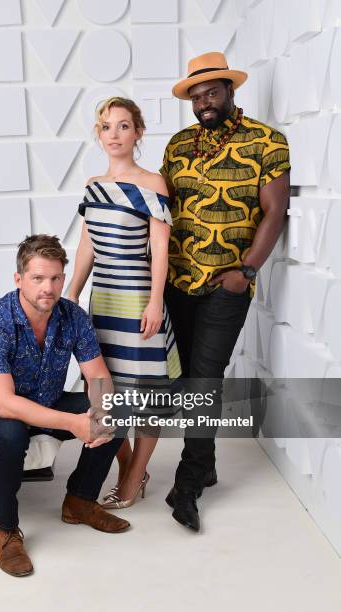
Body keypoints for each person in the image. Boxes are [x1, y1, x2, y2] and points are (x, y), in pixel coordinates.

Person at [161, 52, 291, 531]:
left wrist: (248, 271)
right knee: (186, 379)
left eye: (211, 93)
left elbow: (275, 213)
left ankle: (188, 482)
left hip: (227, 284)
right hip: (177, 281)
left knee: (206, 378)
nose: (203, 103)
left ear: (229, 91)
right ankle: (208, 462)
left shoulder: (267, 141)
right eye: (196, 97)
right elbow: (164, 212)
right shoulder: (177, 147)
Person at [0, 235, 130, 578]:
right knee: (10, 435)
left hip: (47, 401)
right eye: (38, 278)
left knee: (118, 409)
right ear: (19, 279)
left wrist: (97, 413)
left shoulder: (72, 316)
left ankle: (80, 502)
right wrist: (73, 423)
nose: (48, 288)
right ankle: (6, 531)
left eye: (55, 278)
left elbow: (97, 375)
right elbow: (4, 403)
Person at [68, 97, 181, 509]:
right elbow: (86, 246)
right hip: (103, 301)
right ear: (99, 135)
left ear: (138, 132)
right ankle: (130, 464)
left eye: (123, 126)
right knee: (104, 394)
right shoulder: (92, 186)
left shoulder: (153, 183)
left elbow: (160, 249)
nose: (114, 134)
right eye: (106, 127)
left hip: (137, 298)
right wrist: (71, 295)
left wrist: (155, 303)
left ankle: (133, 478)